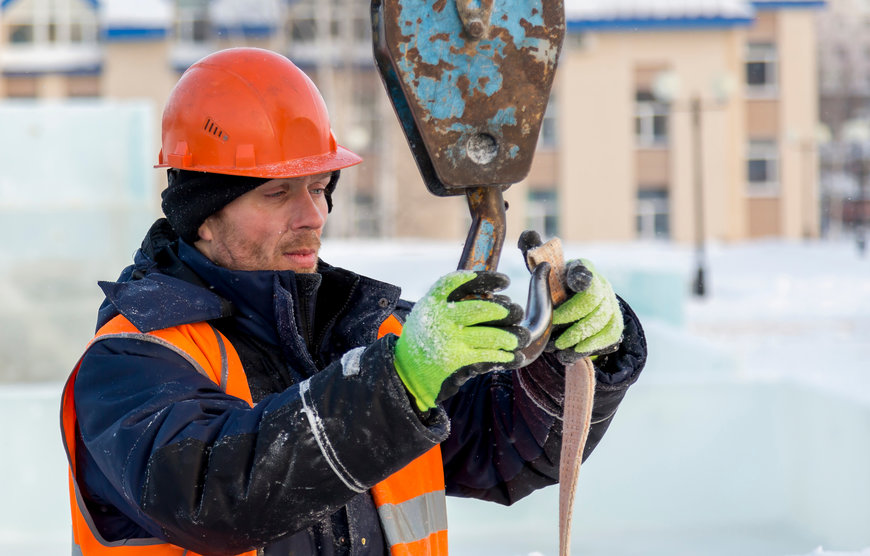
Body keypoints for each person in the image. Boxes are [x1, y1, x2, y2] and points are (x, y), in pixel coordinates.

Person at [60, 47, 646, 556]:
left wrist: (570, 358)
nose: (313, 216)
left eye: (318, 188)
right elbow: (214, 496)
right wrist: (397, 386)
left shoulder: (366, 331)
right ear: (203, 217)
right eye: (277, 192)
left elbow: (502, 451)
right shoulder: (131, 365)